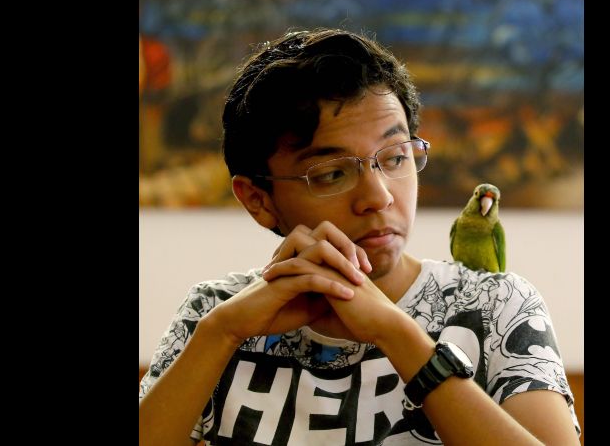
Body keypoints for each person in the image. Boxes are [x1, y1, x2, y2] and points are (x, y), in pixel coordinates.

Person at [139, 28, 581, 446]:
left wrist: (397, 333)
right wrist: (223, 332)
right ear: (258, 199)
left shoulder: (494, 307)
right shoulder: (216, 314)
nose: (379, 196)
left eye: (394, 158)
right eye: (332, 173)